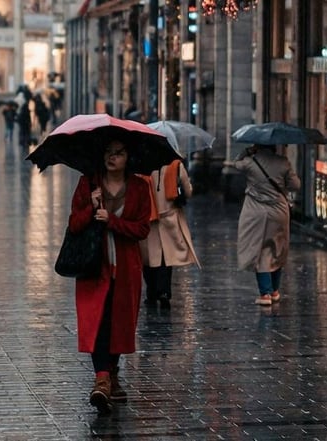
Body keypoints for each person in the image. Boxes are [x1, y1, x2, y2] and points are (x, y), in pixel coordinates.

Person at [66, 139, 150, 414]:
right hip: (94, 265)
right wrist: (90, 208)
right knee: (97, 320)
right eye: (108, 152)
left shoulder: (139, 187)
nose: (112, 157)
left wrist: (112, 221)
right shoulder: (88, 183)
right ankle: (101, 379)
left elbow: (142, 229)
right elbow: (74, 224)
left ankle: (111, 372)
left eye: (119, 153)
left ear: (128, 157)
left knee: (119, 322)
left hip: (126, 267)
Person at [232, 144, 301, 306]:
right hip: (279, 210)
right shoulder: (283, 162)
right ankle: (275, 290)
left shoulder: (250, 162)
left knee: (260, 249)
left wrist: (246, 151)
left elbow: (236, 164)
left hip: (255, 212)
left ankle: (265, 294)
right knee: (277, 248)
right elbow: (295, 185)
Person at [139, 159, 200, 309]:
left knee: (148, 258)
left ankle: (151, 292)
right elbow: (188, 192)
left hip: (149, 218)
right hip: (169, 218)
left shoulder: (141, 166)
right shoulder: (176, 166)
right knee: (166, 258)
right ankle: (164, 292)